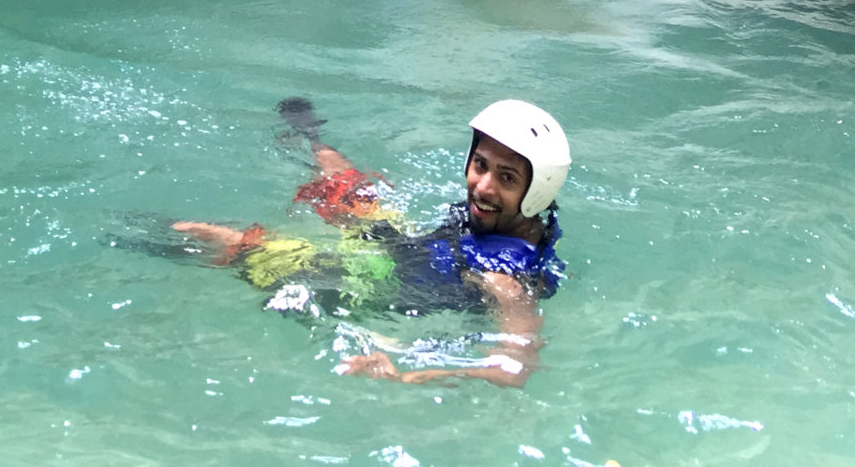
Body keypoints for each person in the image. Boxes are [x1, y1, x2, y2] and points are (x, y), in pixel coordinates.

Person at [170, 98, 570, 390]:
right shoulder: (503, 220)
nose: (482, 185)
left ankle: (190, 244)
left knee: (252, 249)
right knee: (352, 194)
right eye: (480, 165)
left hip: (388, 286)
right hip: (414, 249)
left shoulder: (504, 279)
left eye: (506, 178)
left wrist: (411, 373)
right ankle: (314, 140)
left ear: (537, 192)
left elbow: (513, 369)